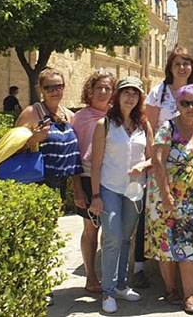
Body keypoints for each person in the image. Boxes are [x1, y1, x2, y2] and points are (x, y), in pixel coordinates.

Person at [139, 48, 193, 288]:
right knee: (163, 235)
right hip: (163, 172)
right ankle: (168, 288)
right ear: (170, 67)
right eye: (177, 63)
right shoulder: (158, 93)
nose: (182, 68)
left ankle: (188, 293)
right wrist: (152, 160)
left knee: (191, 238)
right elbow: (150, 127)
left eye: (187, 63)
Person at [88, 76, 152, 313]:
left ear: (139, 98)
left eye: (135, 94)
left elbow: (152, 157)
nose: (130, 97)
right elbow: (95, 164)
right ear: (118, 96)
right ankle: (108, 292)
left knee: (126, 237)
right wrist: (96, 195)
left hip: (134, 190)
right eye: (126, 92)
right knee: (113, 236)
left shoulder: (144, 125)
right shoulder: (104, 125)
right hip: (110, 188)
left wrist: (143, 167)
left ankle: (122, 285)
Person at [146, 85, 193, 314]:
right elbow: (158, 161)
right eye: (185, 103)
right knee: (166, 243)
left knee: (192, 244)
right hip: (165, 195)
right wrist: (166, 194)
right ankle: (171, 289)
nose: (190, 108)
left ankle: (189, 296)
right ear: (177, 105)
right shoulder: (167, 127)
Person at [70, 71, 115, 295]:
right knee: (91, 230)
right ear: (90, 90)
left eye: (108, 88)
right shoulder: (81, 117)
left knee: (110, 231)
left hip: (111, 179)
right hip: (88, 178)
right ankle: (91, 275)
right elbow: (74, 156)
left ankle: (109, 275)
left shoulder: (116, 116)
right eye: (99, 87)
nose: (103, 92)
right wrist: (77, 188)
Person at [13, 68, 80, 198]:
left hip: (61, 184)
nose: (55, 91)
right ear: (41, 89)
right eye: (49, 88)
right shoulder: (31, 113)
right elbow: (12, 149)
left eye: (59, 87)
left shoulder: (69, 116)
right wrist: (33, 140)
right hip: (36, 183)